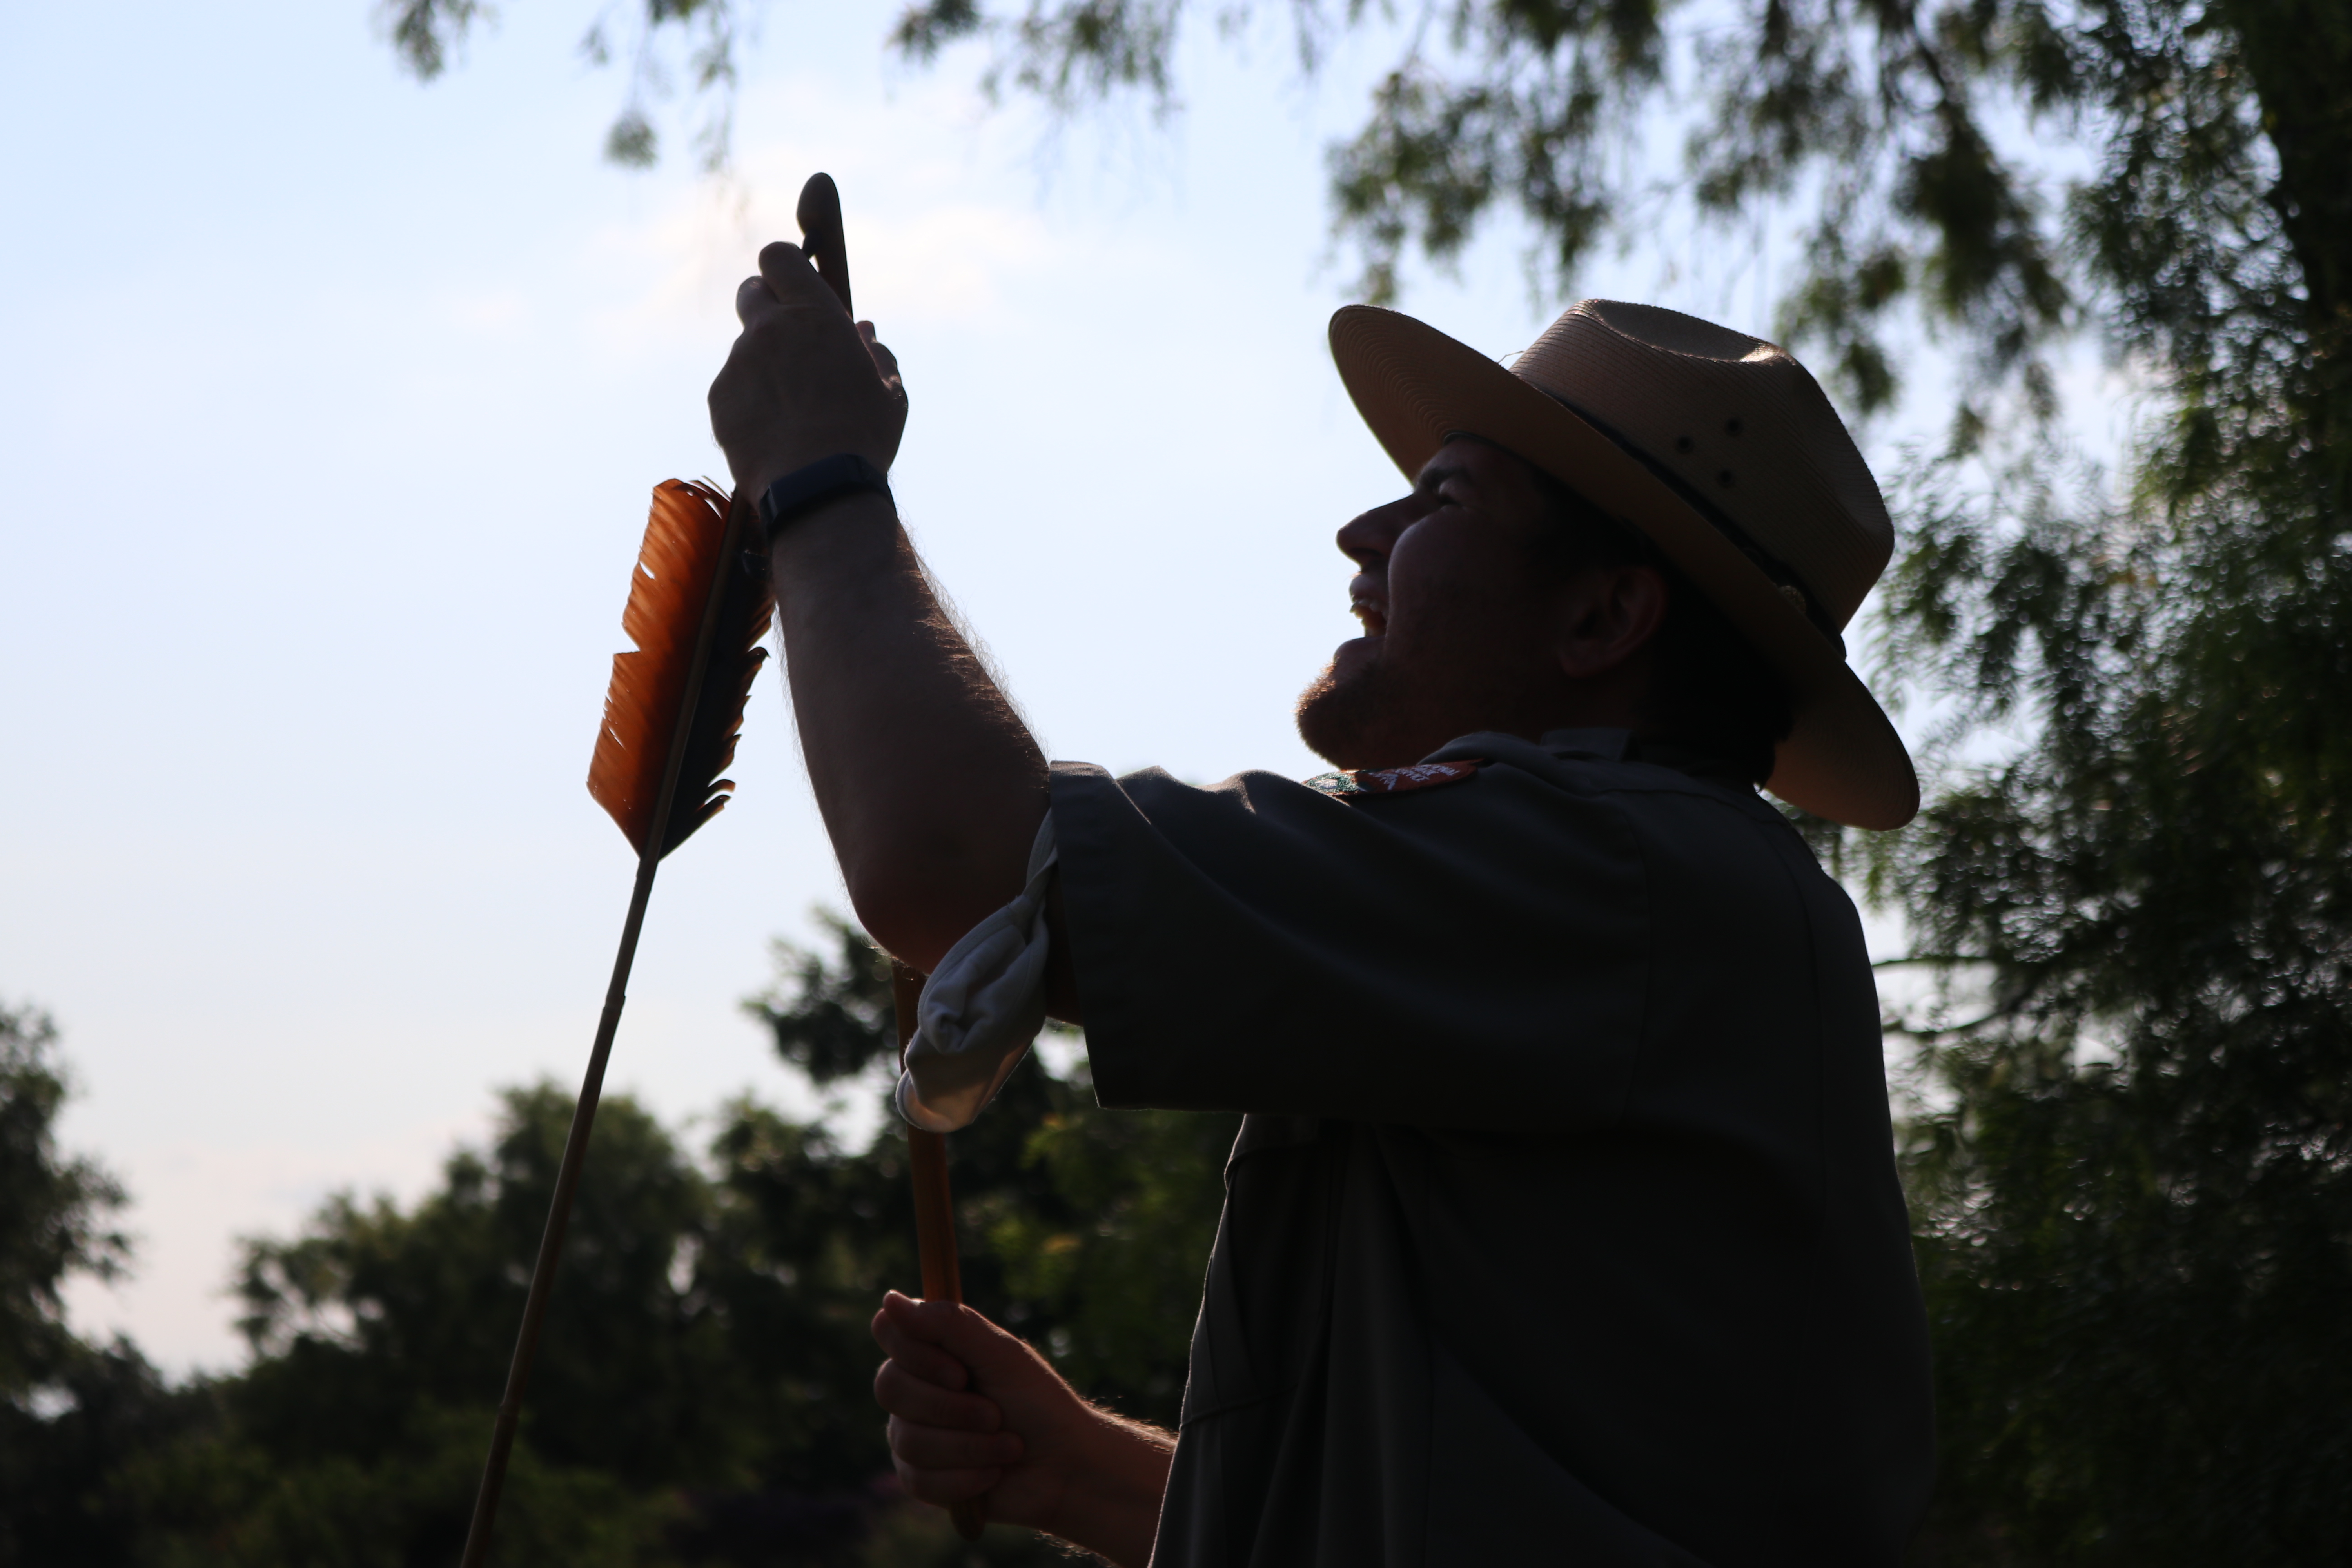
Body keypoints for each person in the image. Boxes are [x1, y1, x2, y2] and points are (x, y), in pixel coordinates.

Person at [707, 245, 1936, 1566]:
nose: (1366, 536)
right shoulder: (1618, 897)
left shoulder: (1607, 867)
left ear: (1603, 615)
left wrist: (817, 476)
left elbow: (949, 859)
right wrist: (1077, 1471)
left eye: (1441, 499)